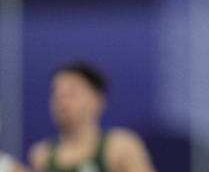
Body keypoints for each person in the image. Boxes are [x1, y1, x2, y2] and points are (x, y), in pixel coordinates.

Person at [28, 62, 156, 172]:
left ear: (97, 100)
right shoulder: (41, 155)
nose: (62, 101)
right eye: (57, 93)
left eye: (72, 93)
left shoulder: (120, 148)